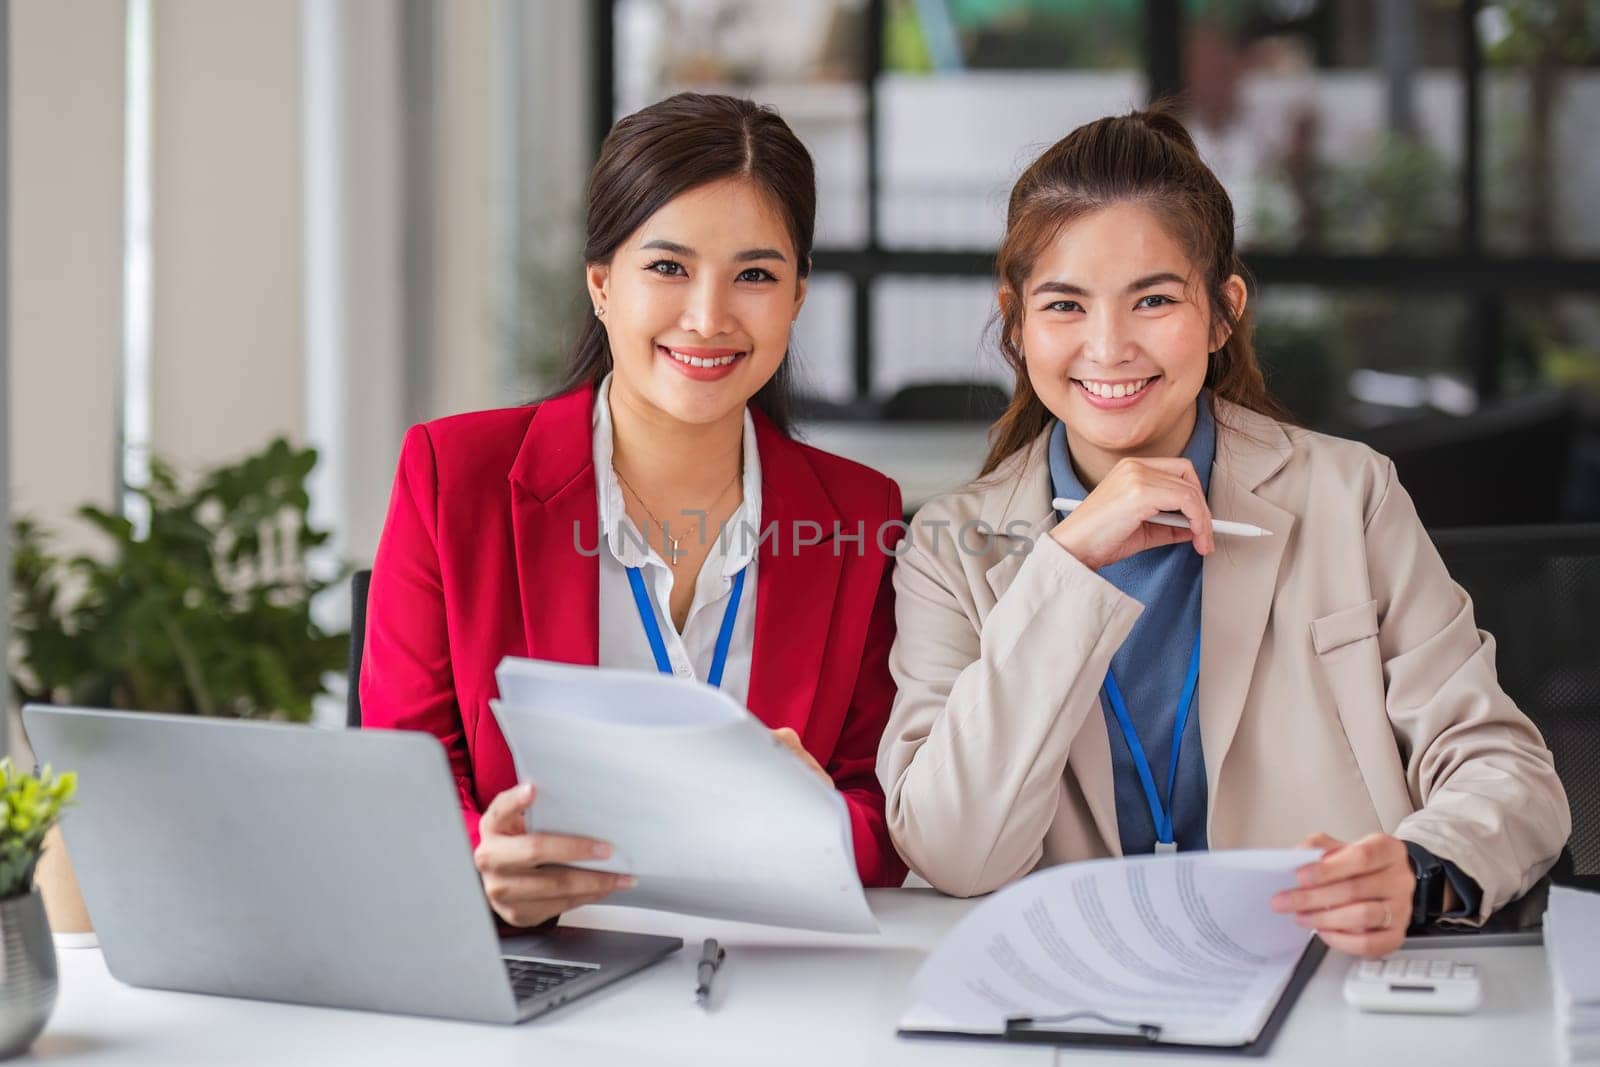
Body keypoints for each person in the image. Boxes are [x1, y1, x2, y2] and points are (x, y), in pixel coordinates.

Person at [877, 104, 1569, 959]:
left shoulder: (1346, 494)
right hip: (1085, 990)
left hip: (1322, 978)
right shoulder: (950, 545)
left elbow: (1511, 772)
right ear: (1017, 323)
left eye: (1154, 299)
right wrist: (1065, 564)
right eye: (1064, 304)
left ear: (1222, 311)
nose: (1109, 345)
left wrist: (1419, 869)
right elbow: (954, 851)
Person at [363, 92, 908, 929]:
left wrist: (820, 818)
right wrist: (482, 855)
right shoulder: (453, 475)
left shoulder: (859, 514)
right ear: (601, 283)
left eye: (755, 275)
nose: (709, 316)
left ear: (797, 296)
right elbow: (406, 774)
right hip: (542, 962)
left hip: (771, 975)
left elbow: (887, 806)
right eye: (668, 267)